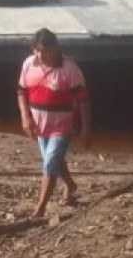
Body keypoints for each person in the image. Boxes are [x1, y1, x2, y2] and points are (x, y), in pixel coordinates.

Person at [17, 29, 91, 218]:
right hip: (39, 124)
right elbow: (21, 92)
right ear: (34, 49)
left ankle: (40, 209)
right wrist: (25, 118)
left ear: (56, 48)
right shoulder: (28, 64)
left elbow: (83, 100)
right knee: (54, 161)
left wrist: (85, 129)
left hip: (62, 125)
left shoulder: (69, 68)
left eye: (48, 50)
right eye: (39, 50)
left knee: (50, 163)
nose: (44, 55)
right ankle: (70, 185)